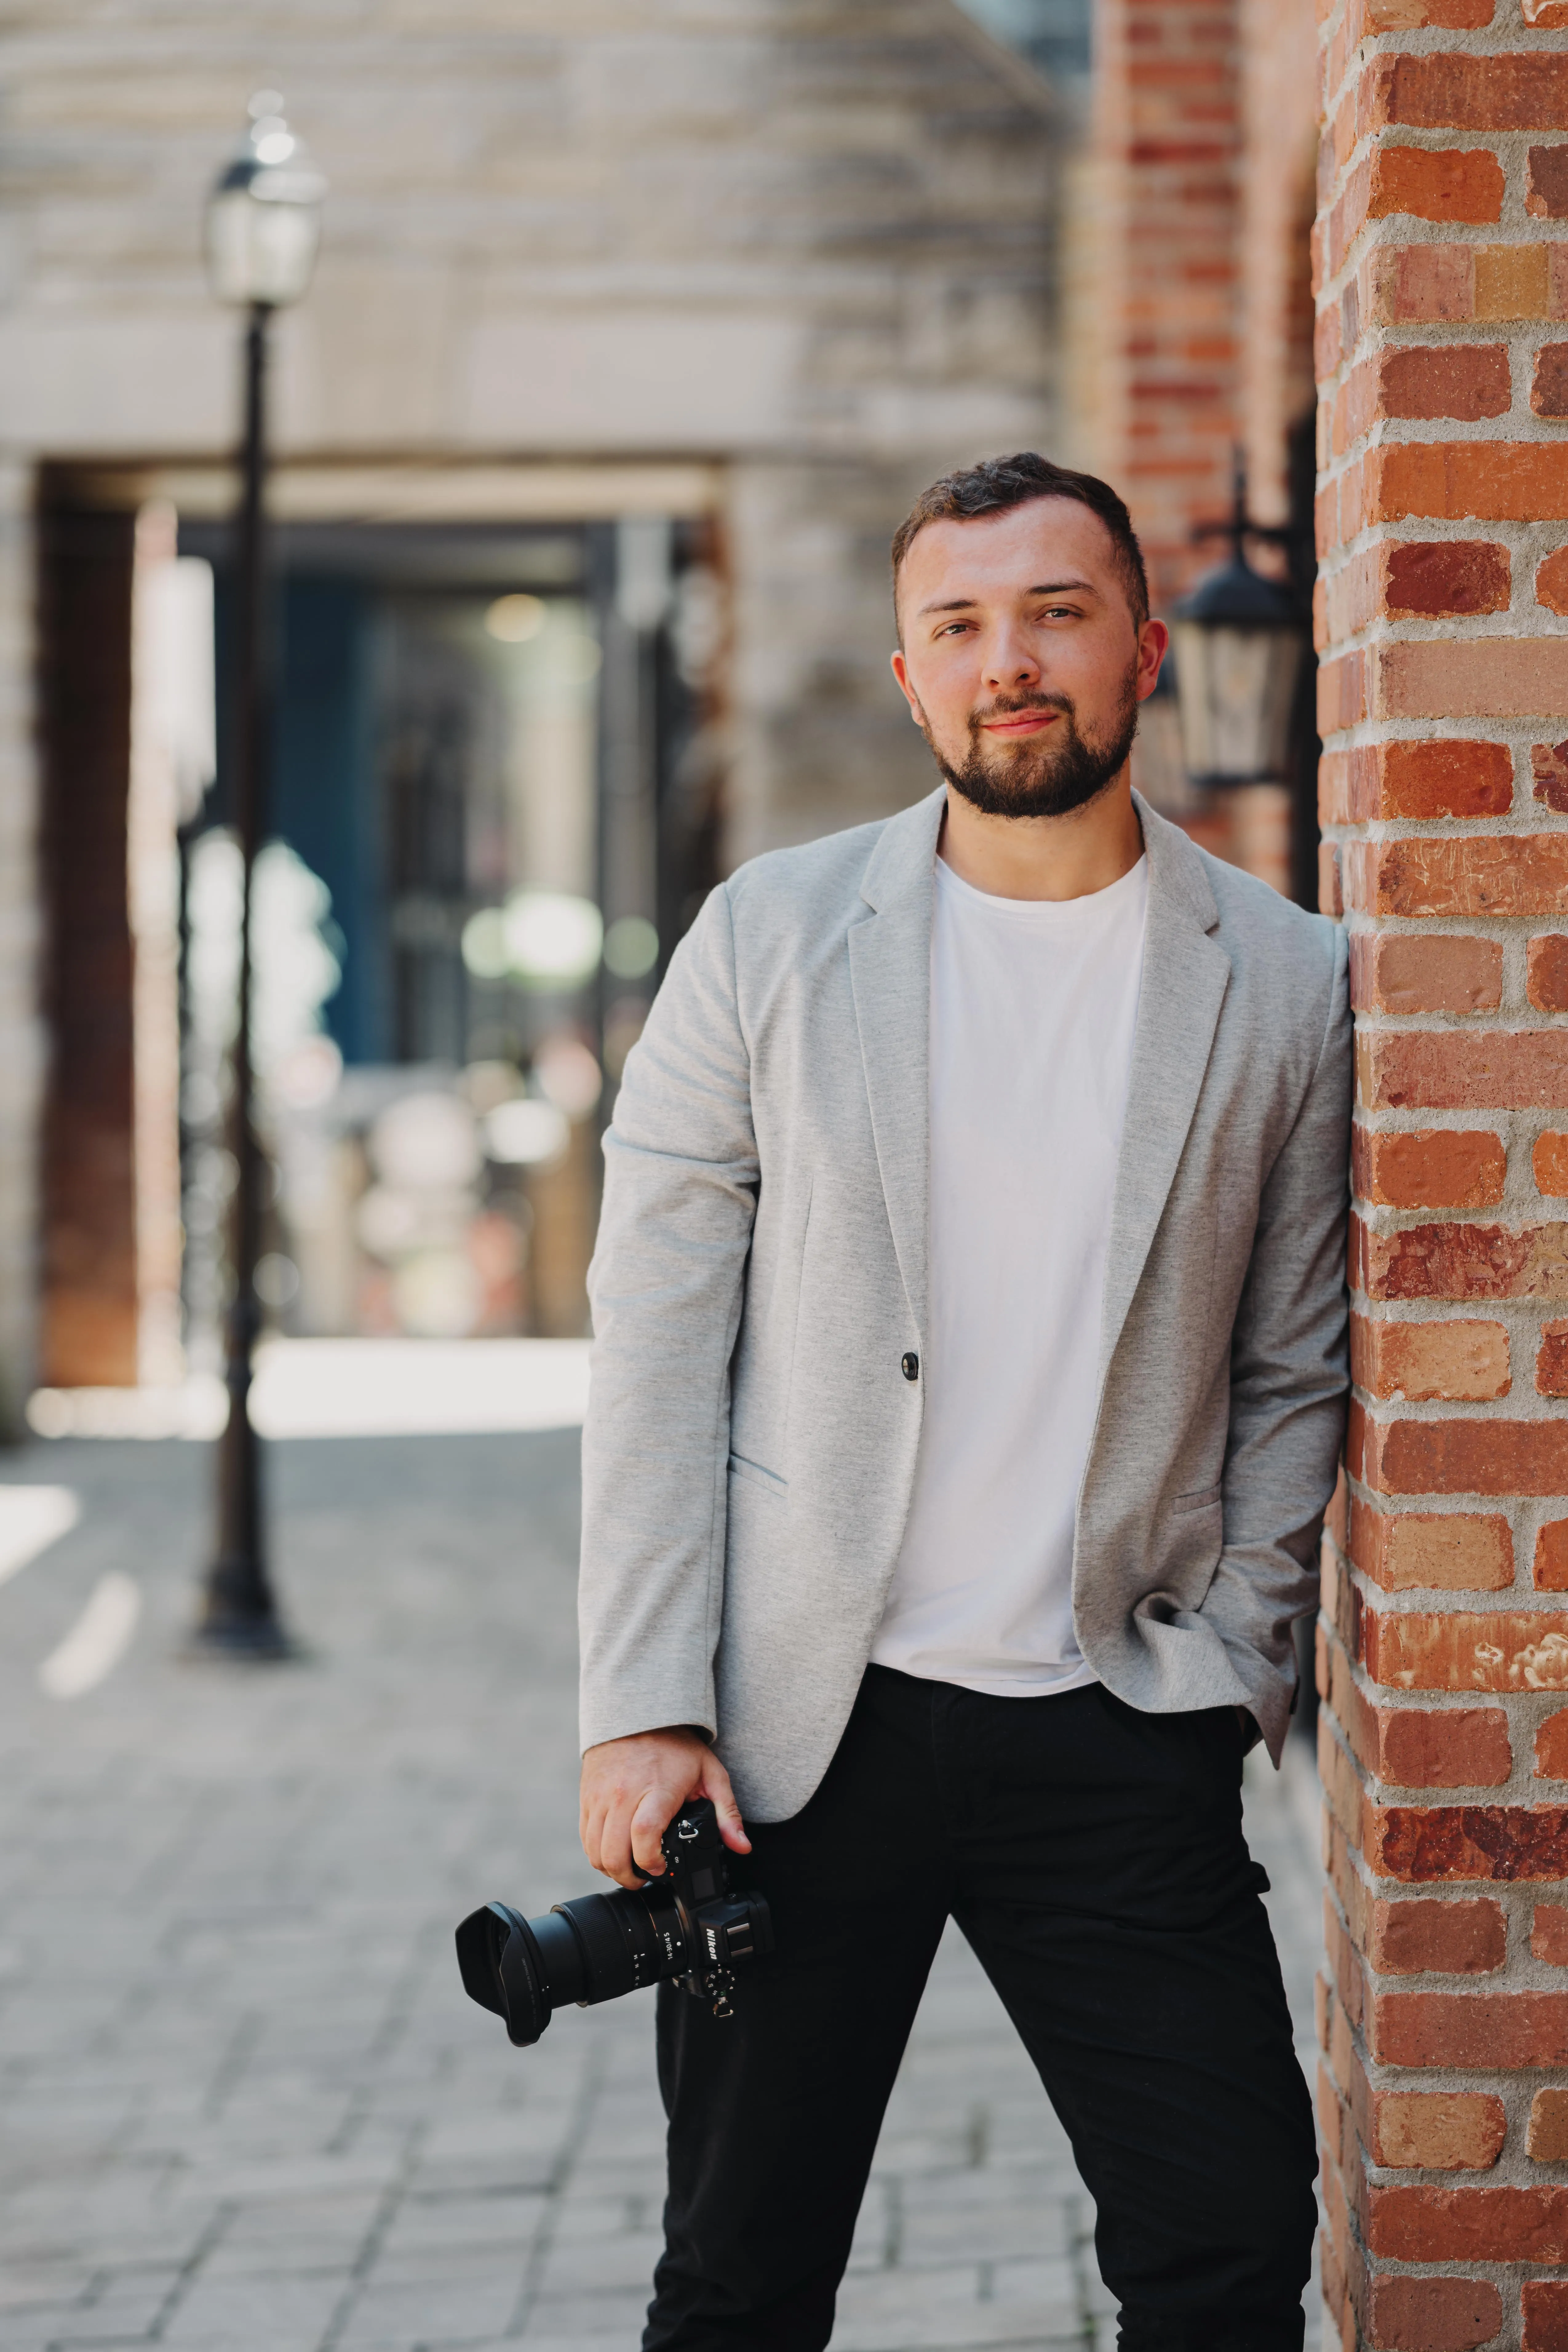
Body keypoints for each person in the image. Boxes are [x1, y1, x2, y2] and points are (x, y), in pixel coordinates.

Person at [577, 452, 1350, 2352]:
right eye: (960, 625)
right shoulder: (765, 940)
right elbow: (656, 1340)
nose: (1011, 662)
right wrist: (645, 1705)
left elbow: (1291, 1360)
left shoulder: (1288, 977)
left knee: (1229, 2245)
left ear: (1144, 651)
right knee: (739, 2281)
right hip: (791, 1749)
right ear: (912, 677)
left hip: (1119, 1721)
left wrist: (1234, 1661)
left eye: (1055, 613)